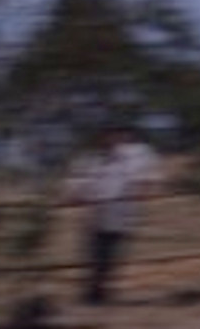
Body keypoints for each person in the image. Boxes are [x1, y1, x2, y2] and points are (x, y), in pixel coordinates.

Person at [65, 124, 162, 306]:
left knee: (112, 256)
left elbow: (147, 177)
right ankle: (93, 293)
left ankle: (100, 293)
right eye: (107, 136)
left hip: (121, 213)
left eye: (116, 136)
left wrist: (143, 190)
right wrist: (76, 194)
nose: (112, 140)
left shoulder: (135, 156)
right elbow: (77, 181)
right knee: (93, 255)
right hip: (95, 213)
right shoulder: (90, 159)